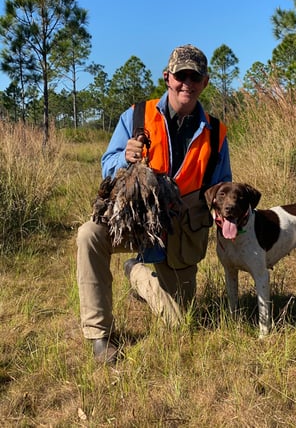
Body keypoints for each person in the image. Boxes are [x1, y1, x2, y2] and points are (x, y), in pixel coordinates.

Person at [76, 44, 232, 363]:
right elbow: (106, 164)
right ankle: (99, 336)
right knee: (89, 235)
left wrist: (226, 220)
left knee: (178, 323)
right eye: (180, 75)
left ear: (205, 82)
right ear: (167, 77)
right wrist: (124, 157)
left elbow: (222, 185)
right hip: (135, 218)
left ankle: (135, 272)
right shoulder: (136, 116)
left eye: (195, 76)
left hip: (180, 228)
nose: (186, 82)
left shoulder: (216, 132)